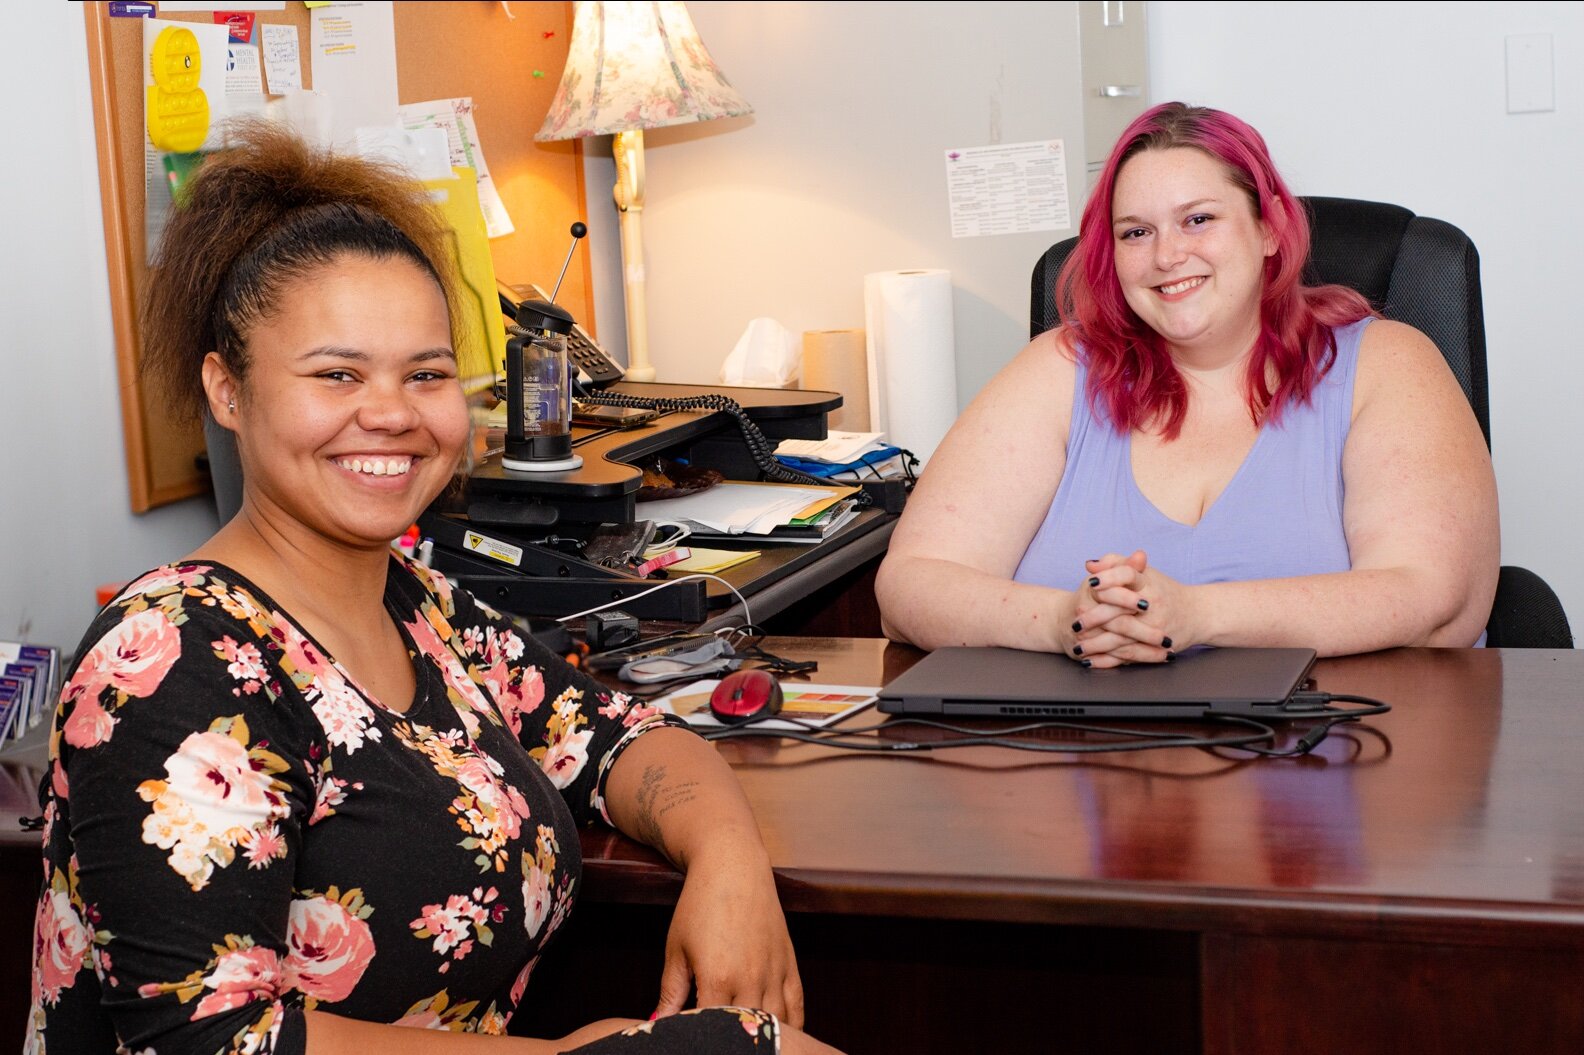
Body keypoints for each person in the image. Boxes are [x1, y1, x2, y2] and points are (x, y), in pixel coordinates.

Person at [28, 122, 843, 1055]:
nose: (392, 413)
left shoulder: (417, 603)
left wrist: (730, 858)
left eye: (427, 374)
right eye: (337, 374)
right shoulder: (169, 659)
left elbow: (616, 732)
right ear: (227, 389)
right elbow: (207, 1042)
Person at [876, 102, 1497, 664]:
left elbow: (1429, 593)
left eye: (1197, 219)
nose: (1166, 255)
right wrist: (1065, 622)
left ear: (1270, 228)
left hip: (1336, 758)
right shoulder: (1058, 368)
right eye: (1136, 232)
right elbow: (910, 585)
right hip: (1084, 758)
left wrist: (1198, 616)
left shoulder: (1388, 364)